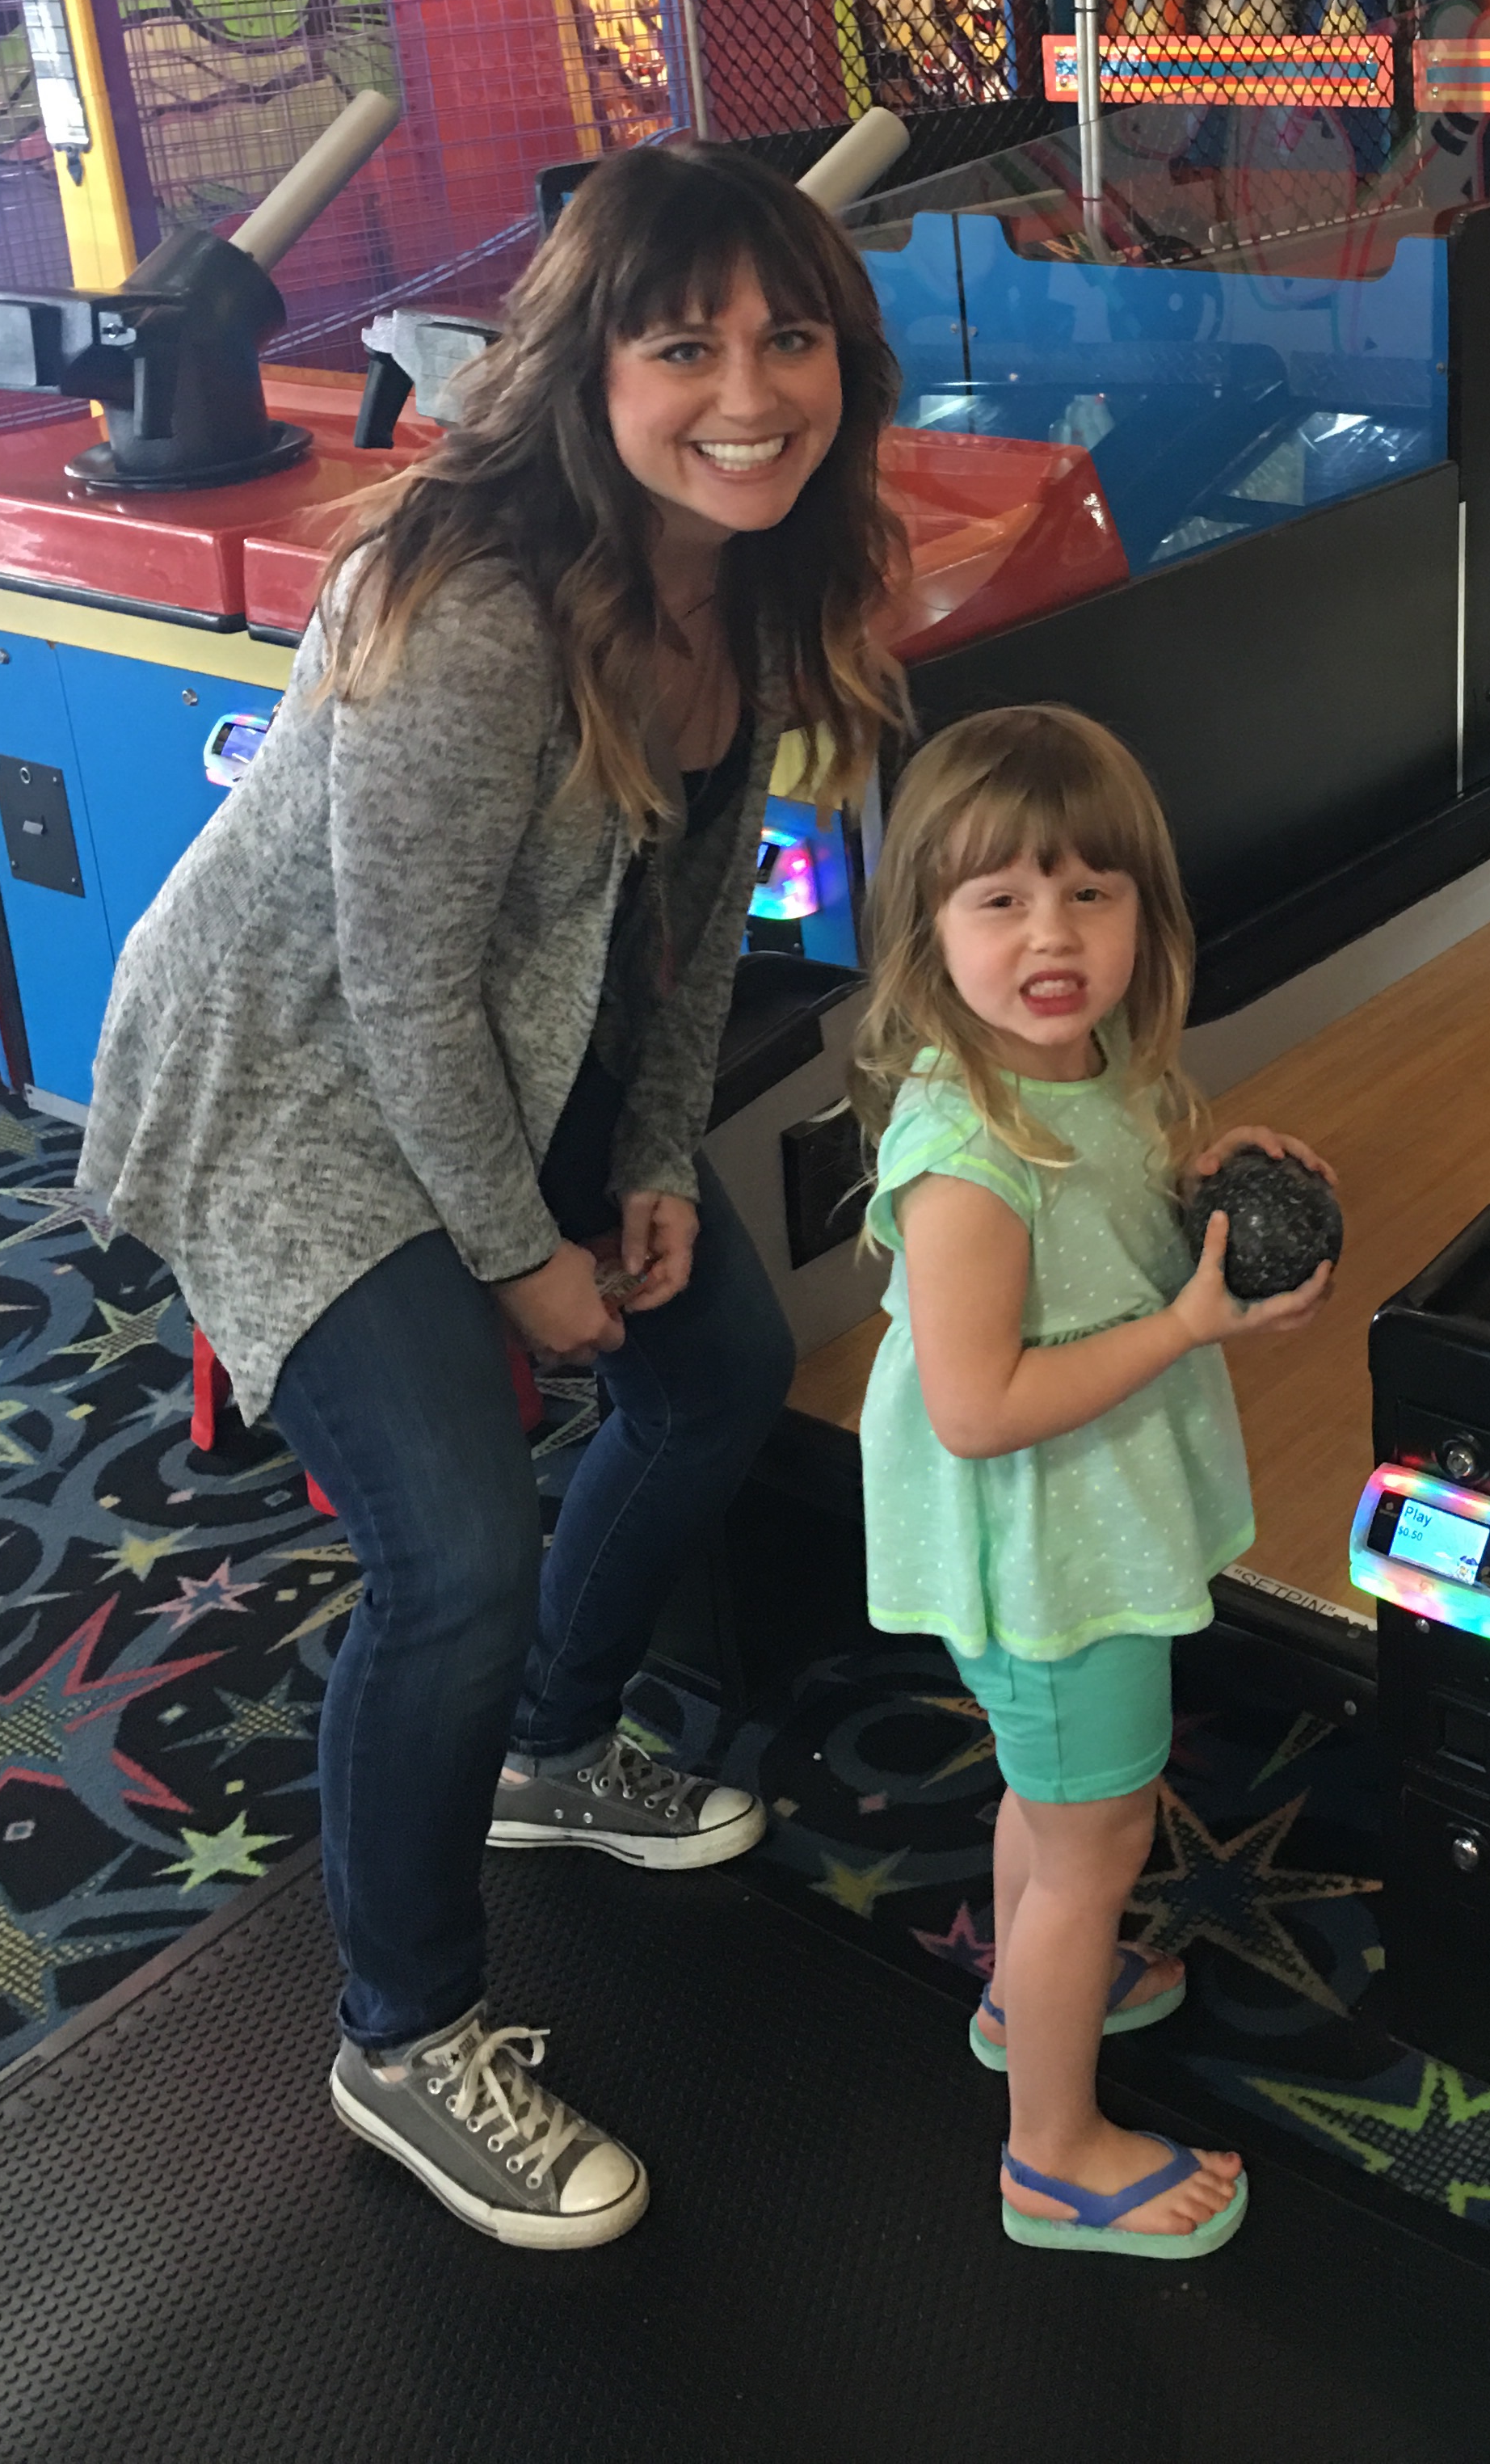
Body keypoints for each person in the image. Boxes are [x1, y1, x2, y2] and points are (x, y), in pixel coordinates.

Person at [77, 140, 904, 2249]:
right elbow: (391, 979)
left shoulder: (759, 576)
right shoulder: (469, 605)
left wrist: (641, 1168)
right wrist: (525, 1258)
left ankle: (549, 1744)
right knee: (454, 1545)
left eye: (788, 335)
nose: (750, 387)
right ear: (589, 373)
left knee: (715, 1362)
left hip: (508, 1052)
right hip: (294, 1080)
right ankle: (402, 2029)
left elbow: (699, 917)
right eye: (685, 342)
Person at [848, 705, 1335, 2261]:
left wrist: (1207, 1175)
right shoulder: (965, 1163)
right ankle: (1052, 2153)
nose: (1051, 936)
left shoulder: (1093, 1060)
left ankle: (1023, 1986)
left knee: (1058, 1807)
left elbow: (1121, 1187)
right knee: (1097, 1844)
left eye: (1090, 894)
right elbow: (980, 1406)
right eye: (999, 902)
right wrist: (1191, 1322)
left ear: (1146, 909)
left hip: (1089, 1527)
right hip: (1044, 1551)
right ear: (930, 930)